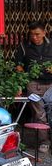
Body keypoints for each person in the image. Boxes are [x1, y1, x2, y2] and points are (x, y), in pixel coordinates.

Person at [15, 21, 52, 154]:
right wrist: (20, 82)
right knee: (39, 114)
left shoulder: (51, 45)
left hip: (51, 84)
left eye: (37, 34)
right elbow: (18, 65)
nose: (34, 37)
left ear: (44, 33)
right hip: (33, 84)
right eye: (32, 35)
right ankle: (44, 142)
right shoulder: (24, 46)